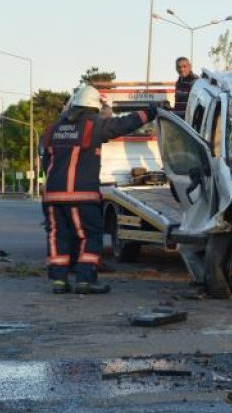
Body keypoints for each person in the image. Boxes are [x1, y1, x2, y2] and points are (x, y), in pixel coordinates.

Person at [41, 85, 158, 295]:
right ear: (93, 106)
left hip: (52, 195)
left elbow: (46, 162)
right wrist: (148, 112)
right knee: (88, 235)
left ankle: (59, 281)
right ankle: (85, 280)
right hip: (81, 195)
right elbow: (123, 124)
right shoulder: (92, 125)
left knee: (58, 235)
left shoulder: (53, 129)